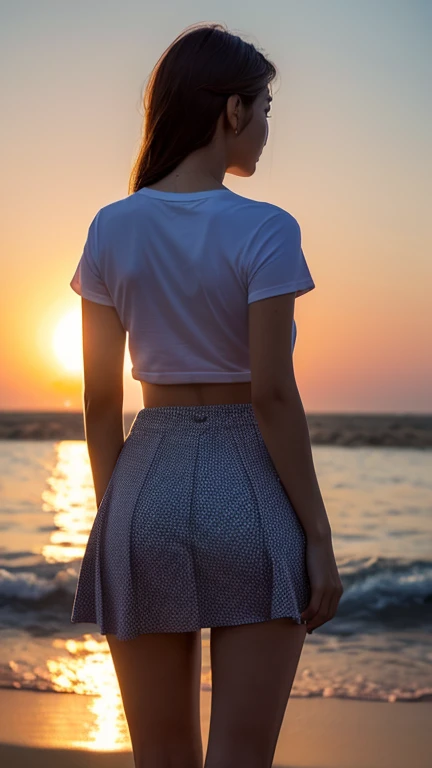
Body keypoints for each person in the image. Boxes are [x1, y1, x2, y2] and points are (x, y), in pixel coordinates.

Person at [69, 21, 343, 768]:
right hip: (247, 484)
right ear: (230, 111)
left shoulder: (110, 228)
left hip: (142, 483)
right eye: (263, 108)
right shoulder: (265, 229)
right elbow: (272, 394)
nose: (264, 127)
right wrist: (318, 538)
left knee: (159, 757)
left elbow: (99, 403)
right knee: (241, 758)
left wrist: (115, 516)